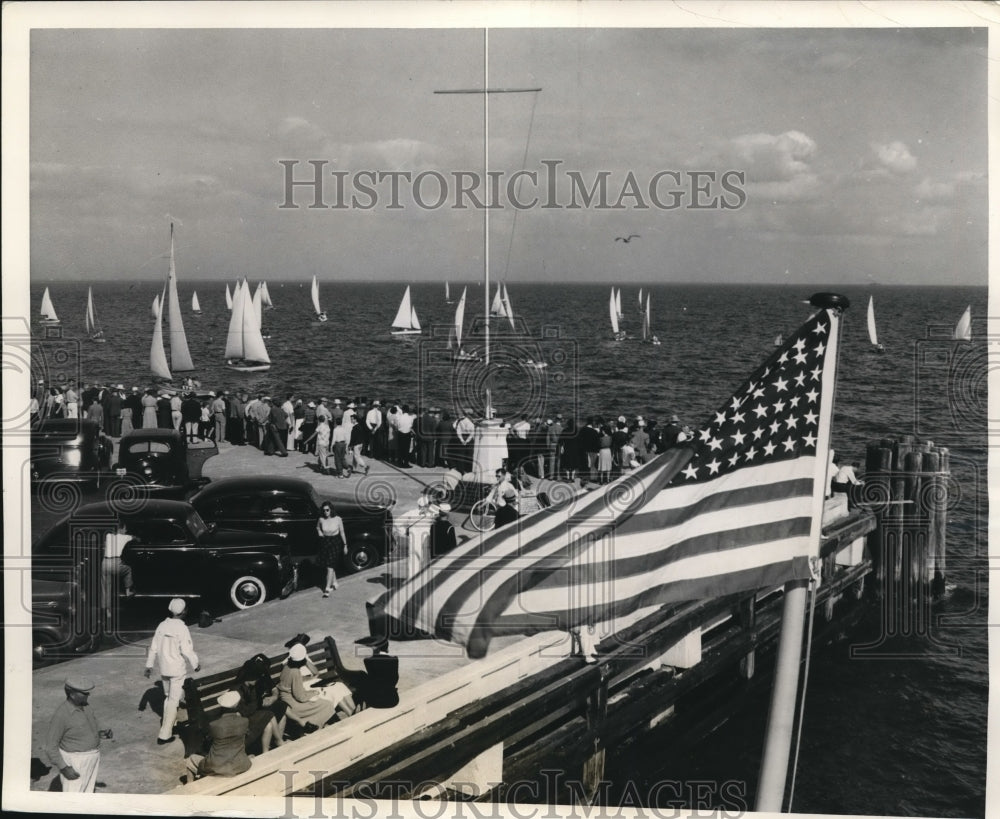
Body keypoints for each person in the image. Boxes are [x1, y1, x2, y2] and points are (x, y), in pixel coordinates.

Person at [144, 598, 200, 745]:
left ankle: (171, 724)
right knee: (174, 700)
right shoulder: (182, 628)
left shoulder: (162, 625)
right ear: (183, 612)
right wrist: (196, 664)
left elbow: (153, 647)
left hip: (164, 669)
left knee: (168, 698)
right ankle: (165, 734)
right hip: (177, 669)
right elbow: (187, 650)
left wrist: (149, 665)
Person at [45, 678, 110, 793]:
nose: (88, 695)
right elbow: (51, 746)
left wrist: (99, 734)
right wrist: (64, 768)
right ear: (72, 694)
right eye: (84, 693)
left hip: (92, 758)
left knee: (87, 793)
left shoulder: (86, 706)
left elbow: (80, 729)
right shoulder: (62, 715)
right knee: (73, 798)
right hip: (76, 762)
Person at [184, 690, 252, 781]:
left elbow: (207, 742)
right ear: (236, 705)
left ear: (222, 707)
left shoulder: (214, 725)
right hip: (240, 765)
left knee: (190, 759)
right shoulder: (245, 721)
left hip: (217, 767)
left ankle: (190, 786)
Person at [277, 644, 338, 730]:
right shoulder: (295, 672)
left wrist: (310, 693)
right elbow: (300, 697)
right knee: (326, 704)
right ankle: (314, 726)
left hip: (286, 701)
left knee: (321, 702)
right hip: (293, 705)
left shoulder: (287, 667)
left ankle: (314, 725)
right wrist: (312, 693)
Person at [101, 520, 135, 624]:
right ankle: (128, 590)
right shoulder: (125, 537)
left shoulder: (108, 536)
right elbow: (135, 538)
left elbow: (104, 545)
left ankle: (107, 611)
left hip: (105, 562)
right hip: (116, 562)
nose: (126, 530)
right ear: (120, 529)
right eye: (125, 528)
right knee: (128, 569)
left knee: (106, 588)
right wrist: (135, 537)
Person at [316, 502, 348, 596]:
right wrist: (320, 532)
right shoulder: (321, 519)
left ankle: (327, 589)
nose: (325, 512)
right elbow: (317, 527)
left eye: (327, 510)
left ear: (331, 510)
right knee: (329, 564)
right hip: (325, 542)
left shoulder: (338, 519)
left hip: (335, 542)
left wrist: (345, 545)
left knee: (330, 566)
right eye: (324, 510)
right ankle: (334, 582)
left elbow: (342, 532)